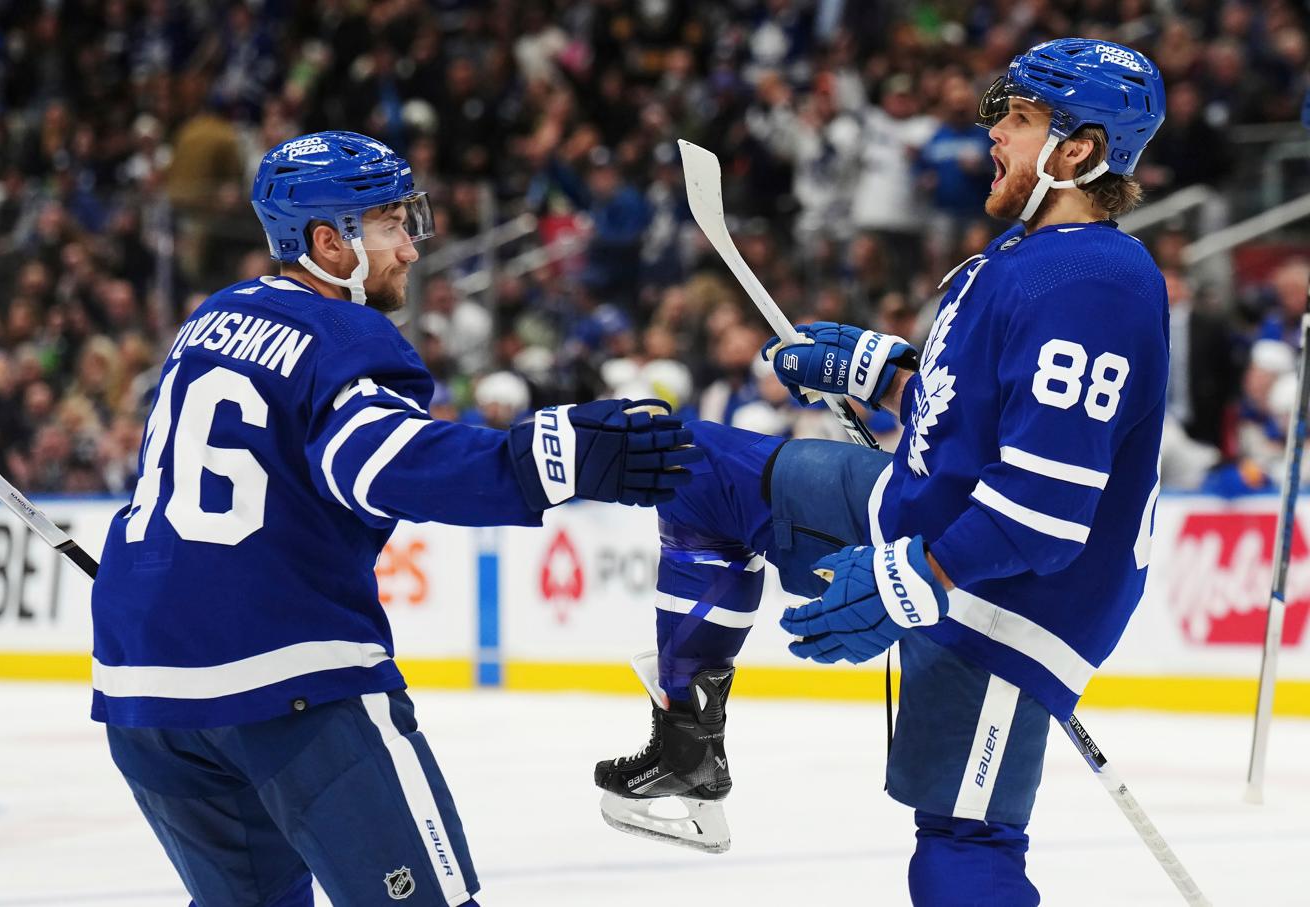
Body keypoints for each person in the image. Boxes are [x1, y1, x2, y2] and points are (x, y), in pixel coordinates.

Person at [595, 39, 1167, 905]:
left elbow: (1046, 508)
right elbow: (973, 422)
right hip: (929, 520)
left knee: (959, 845)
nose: (996, 137)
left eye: (1020, 120)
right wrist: (889, 373)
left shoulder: (1094, 281)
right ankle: (688, 746)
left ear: (1078, 149)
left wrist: (915, 578)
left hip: (1008, 592)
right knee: (697, 469)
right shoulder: (1021, 261)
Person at [89, 130, 699, 907]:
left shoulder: (208, 319)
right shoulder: (344, 334)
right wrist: (560, 456)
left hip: (143, 687)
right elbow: (380, 462)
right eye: (389, 224)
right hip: (286, 678)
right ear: (327, 243)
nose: (410, 247)